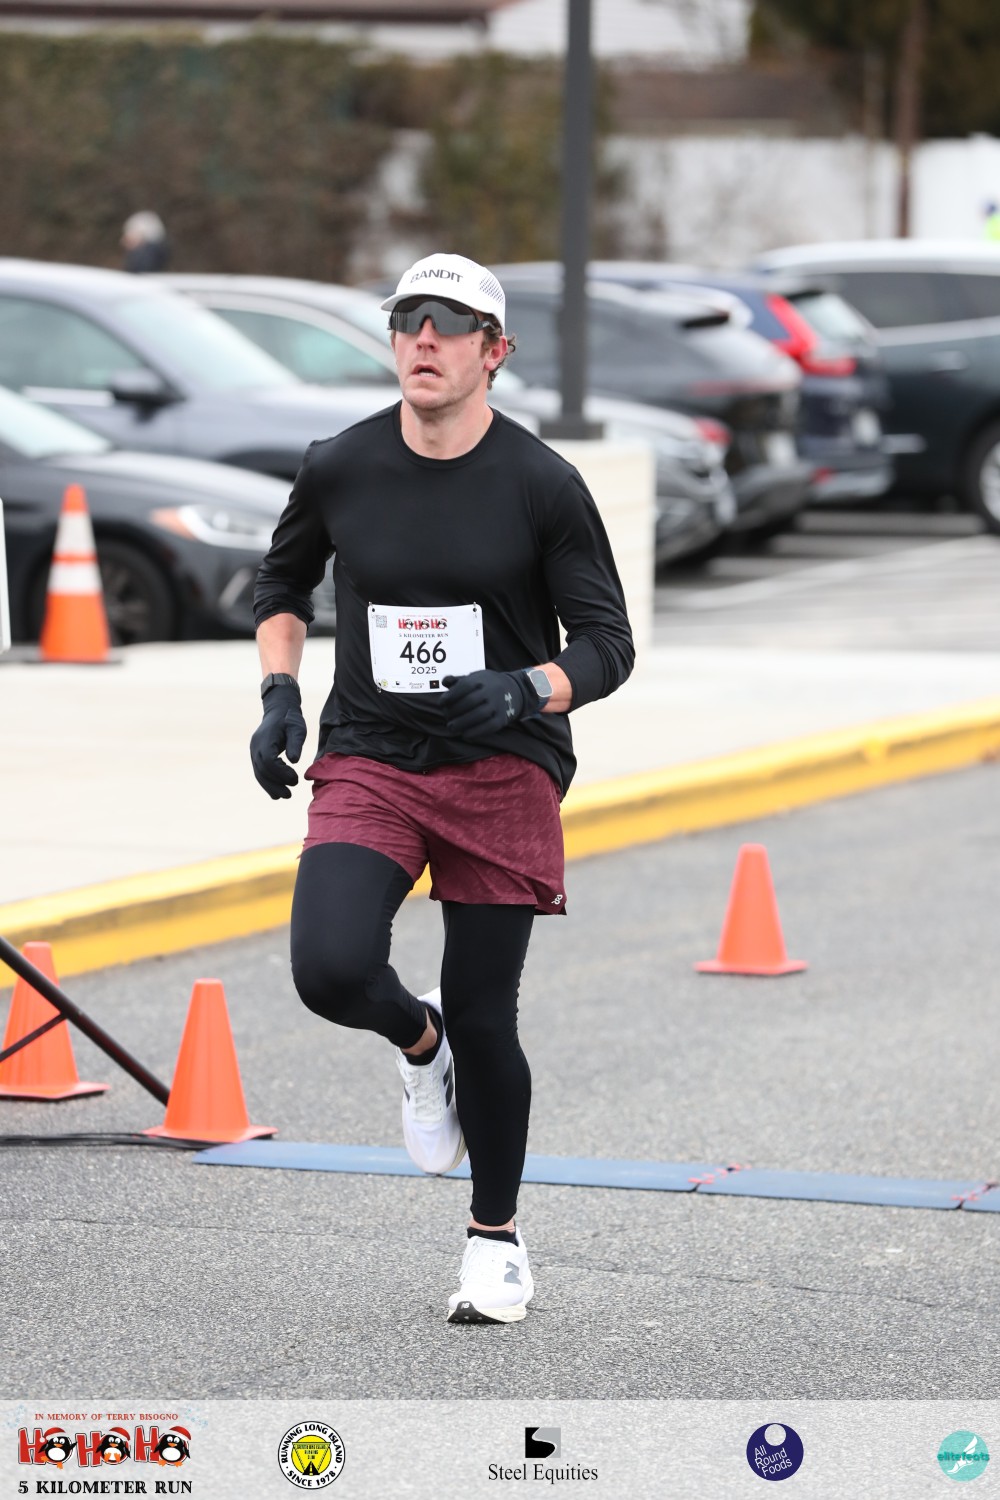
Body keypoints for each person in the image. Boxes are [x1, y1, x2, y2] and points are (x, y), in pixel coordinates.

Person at [249, 251, 634, 1324]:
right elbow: (282, 583)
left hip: (503, 763)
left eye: (450, 322)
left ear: (493, 352)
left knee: (486, 1012)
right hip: (372, 749)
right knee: (330, 969)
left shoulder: (541, 483)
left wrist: (524, 689)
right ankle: (420, 1045)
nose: (424, 337)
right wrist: (278, 694)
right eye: (408, 318)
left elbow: (607, 643)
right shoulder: (342, 465)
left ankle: (494, 1241)